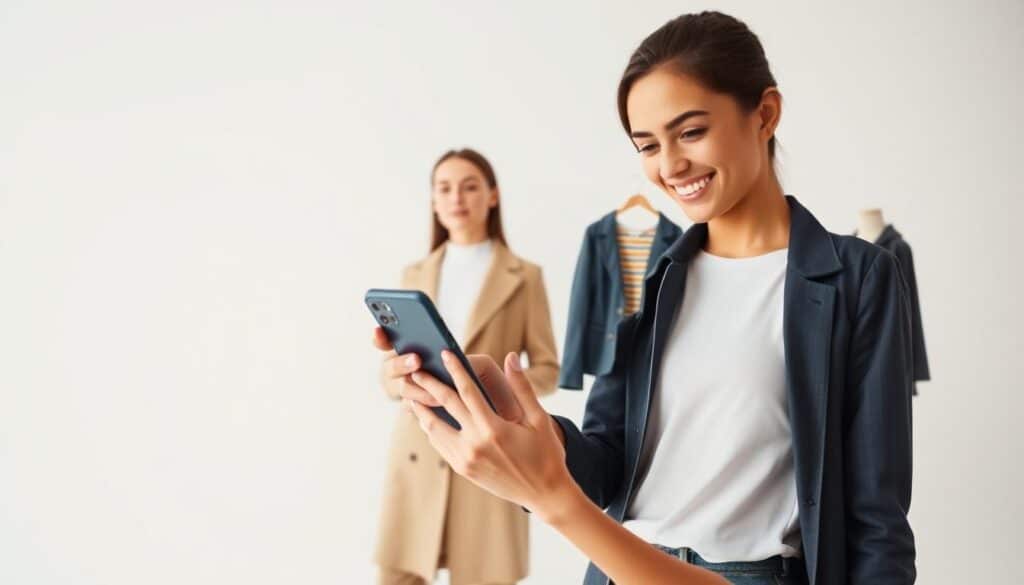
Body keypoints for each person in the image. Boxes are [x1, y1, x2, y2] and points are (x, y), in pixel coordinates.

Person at [379, 12, 915, 585]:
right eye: (648, 145)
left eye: (691, 132)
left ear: (765, 114)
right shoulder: (658, 277)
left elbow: (876, 519)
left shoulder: (857, 278)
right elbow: (606, 462)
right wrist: (516, 414)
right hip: (620, 566)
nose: (670, 165)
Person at [373, 148, 560, 585]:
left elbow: (548, 369)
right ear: (434, 201)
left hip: (491, 445)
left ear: (492, 196)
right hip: (418, 449)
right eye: (444, 188)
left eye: (469, 186)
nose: (456, 198)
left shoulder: (524, 276)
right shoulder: (414, 274)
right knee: (399, 574)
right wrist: (395, 377)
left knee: (486, 574)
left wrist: (489, 388)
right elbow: (390, 373)